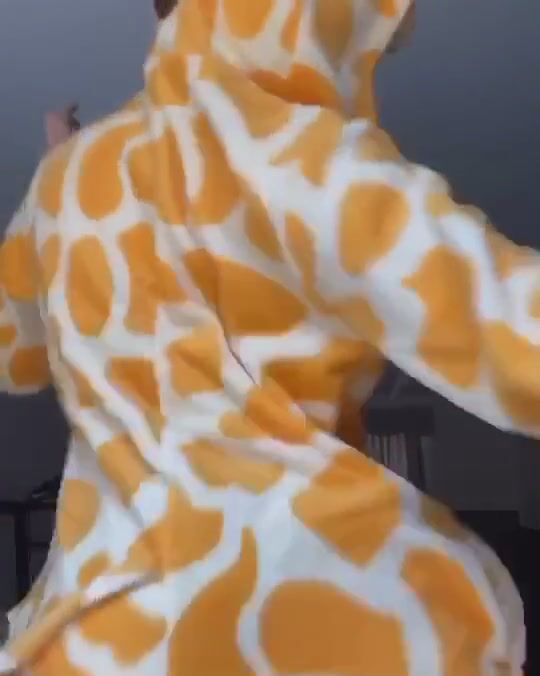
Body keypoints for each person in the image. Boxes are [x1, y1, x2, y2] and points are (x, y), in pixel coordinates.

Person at [0, 0, 536, 673]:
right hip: (298, 618)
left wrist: (59, 195)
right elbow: (516, 340)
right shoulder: (306, 158)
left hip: (98, 637)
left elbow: (14, 356)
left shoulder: (67, 182)